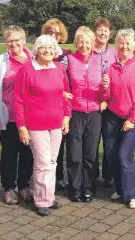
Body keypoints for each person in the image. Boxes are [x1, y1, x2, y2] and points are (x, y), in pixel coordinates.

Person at [13, 35, 71, 216]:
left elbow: (66, 94)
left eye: (51, 48)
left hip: (56, 123)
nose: (47, 51)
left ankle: (49, 196)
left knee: (52, 161)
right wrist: (21, 126)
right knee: (42, 162)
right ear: (37, 50)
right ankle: (41, 201)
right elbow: (18, 100)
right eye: (43, 48)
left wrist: (66, 117)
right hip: (35, 124)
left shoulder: (59, 68)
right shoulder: (27, 70)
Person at [0, 25, 34, 205]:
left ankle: (24, 186)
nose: (13, 44)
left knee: (28, 154)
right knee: (9, 154)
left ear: (24, 40)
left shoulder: (34, 59)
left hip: (30, 118)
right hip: (8, 117)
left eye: (17, 40)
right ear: (5, 42)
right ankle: (8, 188)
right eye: (9, 40)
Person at [101, 29, 135, 209]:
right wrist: (105, 87)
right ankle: (121, 189)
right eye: (121, 43)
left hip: (132, 119)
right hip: (113, 117)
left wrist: (132, 119)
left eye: (128, 43)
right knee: (112, 155)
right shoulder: (111, 67)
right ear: (117, 45)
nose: (124, 46)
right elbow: (106, 95)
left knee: (124, 156)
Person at [60, 26, 104, 202]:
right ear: (76, 43)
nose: (84, 45)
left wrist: (105, 92)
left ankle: (89, 186)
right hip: (75, 112)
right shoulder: (68, 60)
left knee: (91, 153)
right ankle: (75, 187)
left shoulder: (100, 61)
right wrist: (62, 94)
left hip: (94, 112)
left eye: (87, 42)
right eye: (80, 41)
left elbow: (107, 90)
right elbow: (58, 79)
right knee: (74, 153)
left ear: (93, 43)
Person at [42, 18, 71, 190]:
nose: (53, 35)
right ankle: (43, 179)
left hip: (62, 107)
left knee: (60, 144)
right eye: (49, 32)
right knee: (43, 145)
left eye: (56, 33)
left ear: (61, 36)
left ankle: (58, 177)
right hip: (42, 107)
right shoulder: (38, 54)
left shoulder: (66, 55)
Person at [92, 17, 118, 188]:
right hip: (91, 104)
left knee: (110, 141)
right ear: (95, 31)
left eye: (105, 30)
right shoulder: (88, 49)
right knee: (92, 143)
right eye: (99, 29)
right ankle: (92, 175)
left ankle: (109, 175)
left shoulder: (114, 53)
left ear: (110, 34)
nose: (102, 33)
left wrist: (107, 101)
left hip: (110, 105)